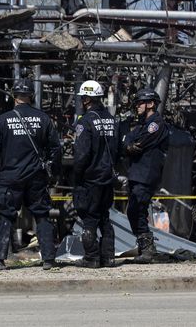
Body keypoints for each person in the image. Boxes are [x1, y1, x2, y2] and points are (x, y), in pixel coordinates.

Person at [0, 79, 61, 271]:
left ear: (14, 96)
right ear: (31, 96)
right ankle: (49, 259)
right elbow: (56, 150)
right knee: (42, 215)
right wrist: (53, 174)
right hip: (36, 176)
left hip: (11, 177)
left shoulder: (2, 120)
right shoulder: (43, 119)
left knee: (5, 216)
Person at [72, 80, 118, 268]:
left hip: (91, 178)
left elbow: (82, 154)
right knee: (104, 217)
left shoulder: (85, 122)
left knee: (90, 218)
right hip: (108, 177)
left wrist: (76, 177)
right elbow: (118, 149)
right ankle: (108, 257)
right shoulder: (111, 119)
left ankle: (91, 257)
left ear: (86, 99)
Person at [122, 88, 170, 264]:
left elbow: (139, 143)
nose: (137, 107)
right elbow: (127, 140)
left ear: (150, 104)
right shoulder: (142, 125)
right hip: (137, 174)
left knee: (137, 210)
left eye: (140, 103)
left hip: (146, 174)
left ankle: (148, 249)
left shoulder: (155, 124)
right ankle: (145, 247)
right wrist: (128, 145)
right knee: (133, 211)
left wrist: (129, 145)